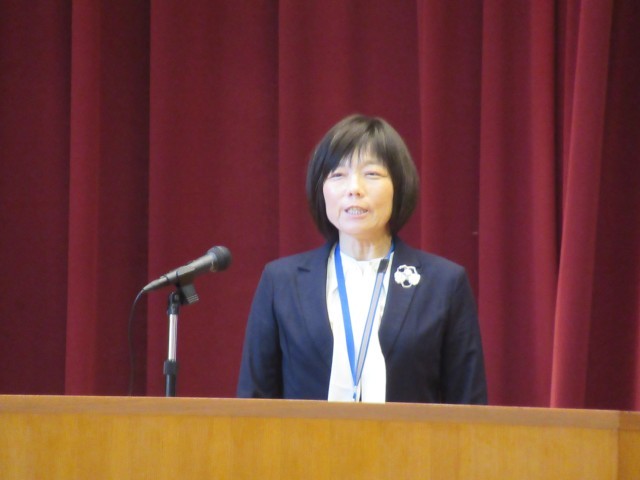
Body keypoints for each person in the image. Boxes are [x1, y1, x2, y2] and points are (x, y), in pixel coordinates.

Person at [237, 114, 487, 404]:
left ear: (399, 186)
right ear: (321, 189)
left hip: (407, 436)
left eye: (372, 174)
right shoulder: (281, 282)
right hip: (307, 437)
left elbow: (469, 406)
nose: (354, 188)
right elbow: (254, 400)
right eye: (338, 175)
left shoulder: (443, 284)